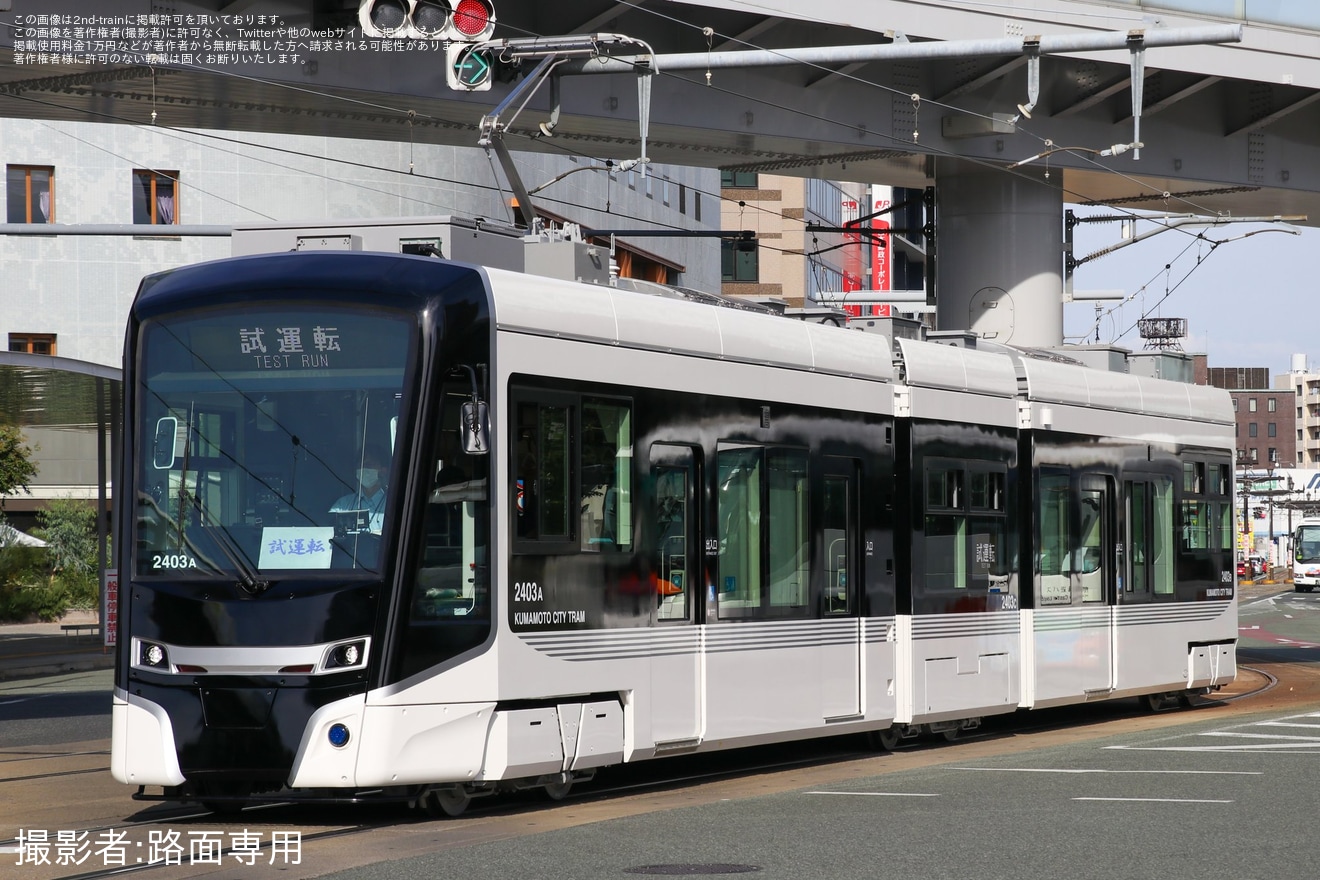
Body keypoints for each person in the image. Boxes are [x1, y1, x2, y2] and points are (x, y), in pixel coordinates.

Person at [330, 447, 389, 535]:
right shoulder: (343, 505)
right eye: (360, 465)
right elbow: (327, 532)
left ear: (383, 471)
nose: (363, 469)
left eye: (368, 465)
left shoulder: (391, 505)